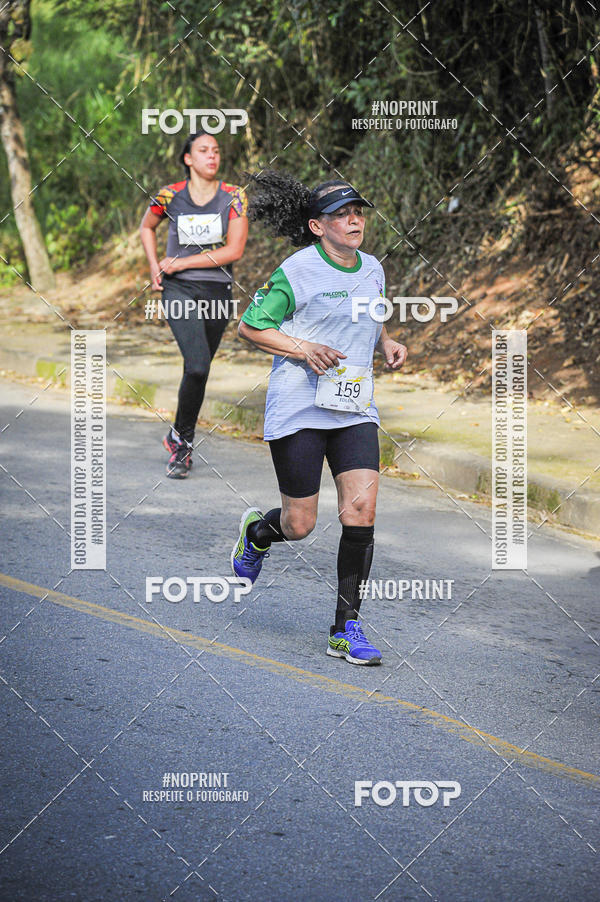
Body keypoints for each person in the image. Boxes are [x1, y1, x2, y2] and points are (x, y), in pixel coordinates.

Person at [231, 171, 407, 665]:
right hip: (300, 407)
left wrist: (387, 341)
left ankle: (345, 628)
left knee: (361, 513)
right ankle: (258, 534)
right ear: (316, 226)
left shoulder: (372, 267)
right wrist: (303, 346)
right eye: (341, 215)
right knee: (300, 523)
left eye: (358, 213)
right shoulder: (296, 271)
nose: (355, 220)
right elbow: (252, 325)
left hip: (352, 406)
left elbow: (370, 314)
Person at [140, 132, 248, 478]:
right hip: (179, 291)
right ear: (188, 159)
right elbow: (147, 227)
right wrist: (156, 267)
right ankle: (183, 447)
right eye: (203, 151)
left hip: (217, 291)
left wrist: (180, 261)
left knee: (197, 370)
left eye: (216, 151)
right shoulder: (169, 195)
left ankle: (176, 435)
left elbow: (234, 251)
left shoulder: (234, 196)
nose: (211, 156)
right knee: (198, 365)